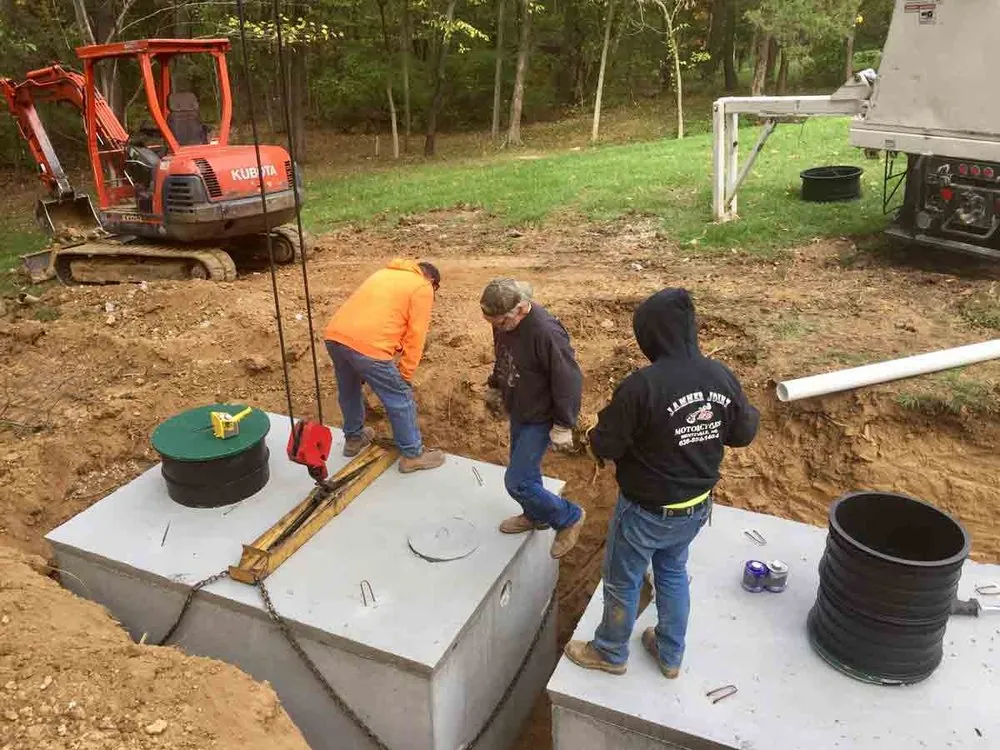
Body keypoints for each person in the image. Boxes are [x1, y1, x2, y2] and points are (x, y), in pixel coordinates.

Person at [564, 288, 759, 678]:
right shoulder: (720, 376)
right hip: (696, 506)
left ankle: (610, 651)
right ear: (689, 330)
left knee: (623, 580)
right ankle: (670, 654)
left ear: (651, 335)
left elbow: (607, 443)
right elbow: (743, 432)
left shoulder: (643, 386)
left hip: (645, 512)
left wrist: (599, 434)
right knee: (671, 572)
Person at [480, 279, 587, 559]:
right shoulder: (503, 323)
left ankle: (569, 517)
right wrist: (495, 384)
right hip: (520, 408)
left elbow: (569, 379)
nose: (496, 327)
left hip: (541, 415)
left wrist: (564, 423)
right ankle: (535, 514)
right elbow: (504, 355)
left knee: (518, 481)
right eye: (492, 321)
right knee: (526, 472)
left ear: (521, 309)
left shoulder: (546, 332)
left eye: (501, 321)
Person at [324, 258, 445, 473]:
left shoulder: (385, 274)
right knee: (400, 397)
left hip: (336, 336)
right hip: (370, 346)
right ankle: (412, 455)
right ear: (432, 280)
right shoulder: (422, 287)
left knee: (349, 390)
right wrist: (406, 374)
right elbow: (416, 337)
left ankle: (354, 438)